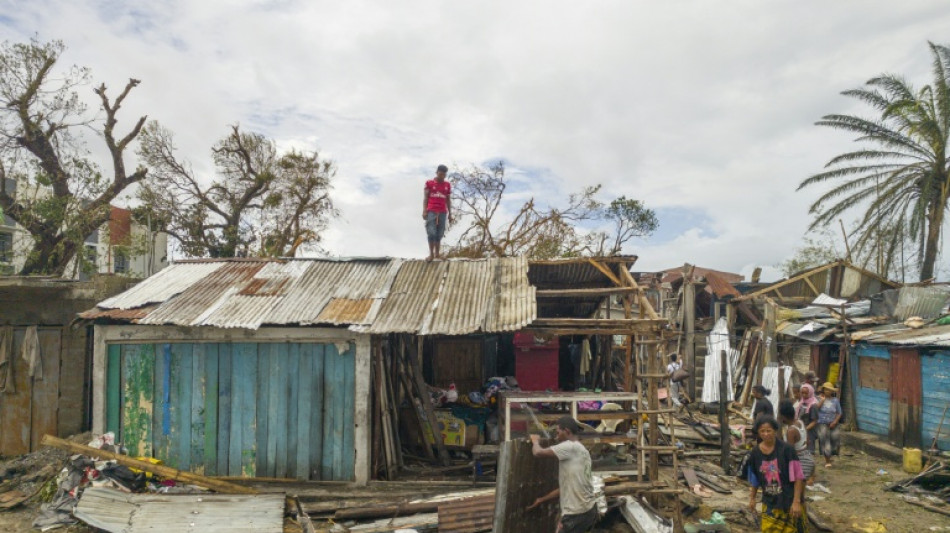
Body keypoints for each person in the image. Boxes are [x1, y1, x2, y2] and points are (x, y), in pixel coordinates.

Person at [529, 417, 598, 533]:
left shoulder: (569, 446)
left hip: (576, 514)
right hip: (589, 510)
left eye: (558, 432)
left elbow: (538, 452)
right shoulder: (584, 451)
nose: (556, 436)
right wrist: (542, 499)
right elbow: (568, 487)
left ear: (566, 431)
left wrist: (535, 441)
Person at [745, 416, 807, 532]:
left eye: (769, 430)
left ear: (775, 430)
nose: (766, 434)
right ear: (758, 432)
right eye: (762, 431)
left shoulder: (787, 450)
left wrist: (796, 501)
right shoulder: (755, 453)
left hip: (789, 501)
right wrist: (752, 498)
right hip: (770, 503)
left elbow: (798, 477)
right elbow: (755, 478)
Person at [779, 399, 815, 485]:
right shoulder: (800, 422)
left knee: (796, 488)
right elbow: (807, 441)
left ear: (783, 416)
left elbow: (790, 451)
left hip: (800, 461)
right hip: (807, 456)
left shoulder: (791, 430)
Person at [422, 164, 452, 261]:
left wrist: (450, 214)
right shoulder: (429, 183)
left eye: (443, 175)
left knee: (439, 233)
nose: (441, 176)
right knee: (431, 233)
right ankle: (431, 254)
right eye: (440, 174)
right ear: (437, 172)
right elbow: (425, 198)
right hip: (431, 210)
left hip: (443, 211)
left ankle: (437, 254)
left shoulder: (447, 185)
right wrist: (424, 211)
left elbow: (448, 200)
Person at [816, 382, 842, 468]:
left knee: (835, 440)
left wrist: (835, 421)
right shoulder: (819, 398)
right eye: (826, 389)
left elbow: (839, 413)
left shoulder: (835, 400)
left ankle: (830, 456)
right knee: (824, 441)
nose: (827, 391)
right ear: (823, 390)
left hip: (833, 423)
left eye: (829, 390)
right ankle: (827, 460)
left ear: (832, 391)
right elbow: (816, 409)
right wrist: (822, 401)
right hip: (822, 423)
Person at [797, 383, 820, 454]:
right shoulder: (801, 403)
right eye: (802, 393)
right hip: (801, 428)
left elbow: (814, 421)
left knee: (809, 449)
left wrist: (805, 429)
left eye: (806, 393)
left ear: (810, 393)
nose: (804, 395)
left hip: (810, 430)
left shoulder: (813, 405)